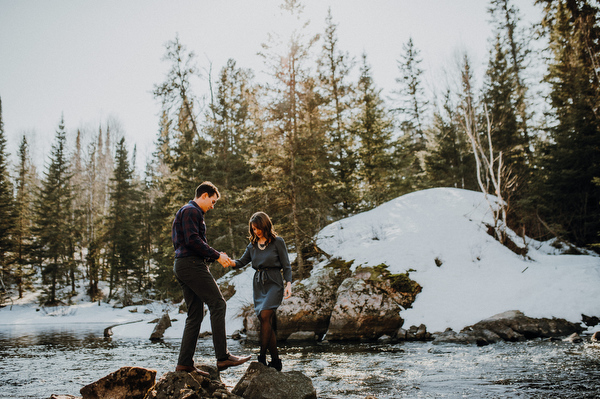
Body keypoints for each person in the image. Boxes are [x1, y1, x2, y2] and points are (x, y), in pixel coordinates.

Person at [172, 181, 251, 375]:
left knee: (195, 315)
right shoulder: (193, 211)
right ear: (204, 195)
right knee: (218, 304)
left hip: (182, 265)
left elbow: (190, 243)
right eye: (213, 201)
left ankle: (184, 365)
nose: (213, 206)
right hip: (191, 265)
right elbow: (193, 240)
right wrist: (216, 255)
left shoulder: (186, 210)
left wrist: (216, 256)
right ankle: (223, 358)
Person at [227, 211, 292, 371]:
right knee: (265, 321)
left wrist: (288, 284)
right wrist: (228, 262)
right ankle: (276, 361)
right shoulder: (252, 246)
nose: (256, 231)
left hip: (274, 282)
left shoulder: (278, 242)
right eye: (253, 229)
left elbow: (287, 265)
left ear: (265, 225)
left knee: (264, 316)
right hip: (259, 284)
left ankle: (261, 357)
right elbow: (241, 262)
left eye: (258, 228)